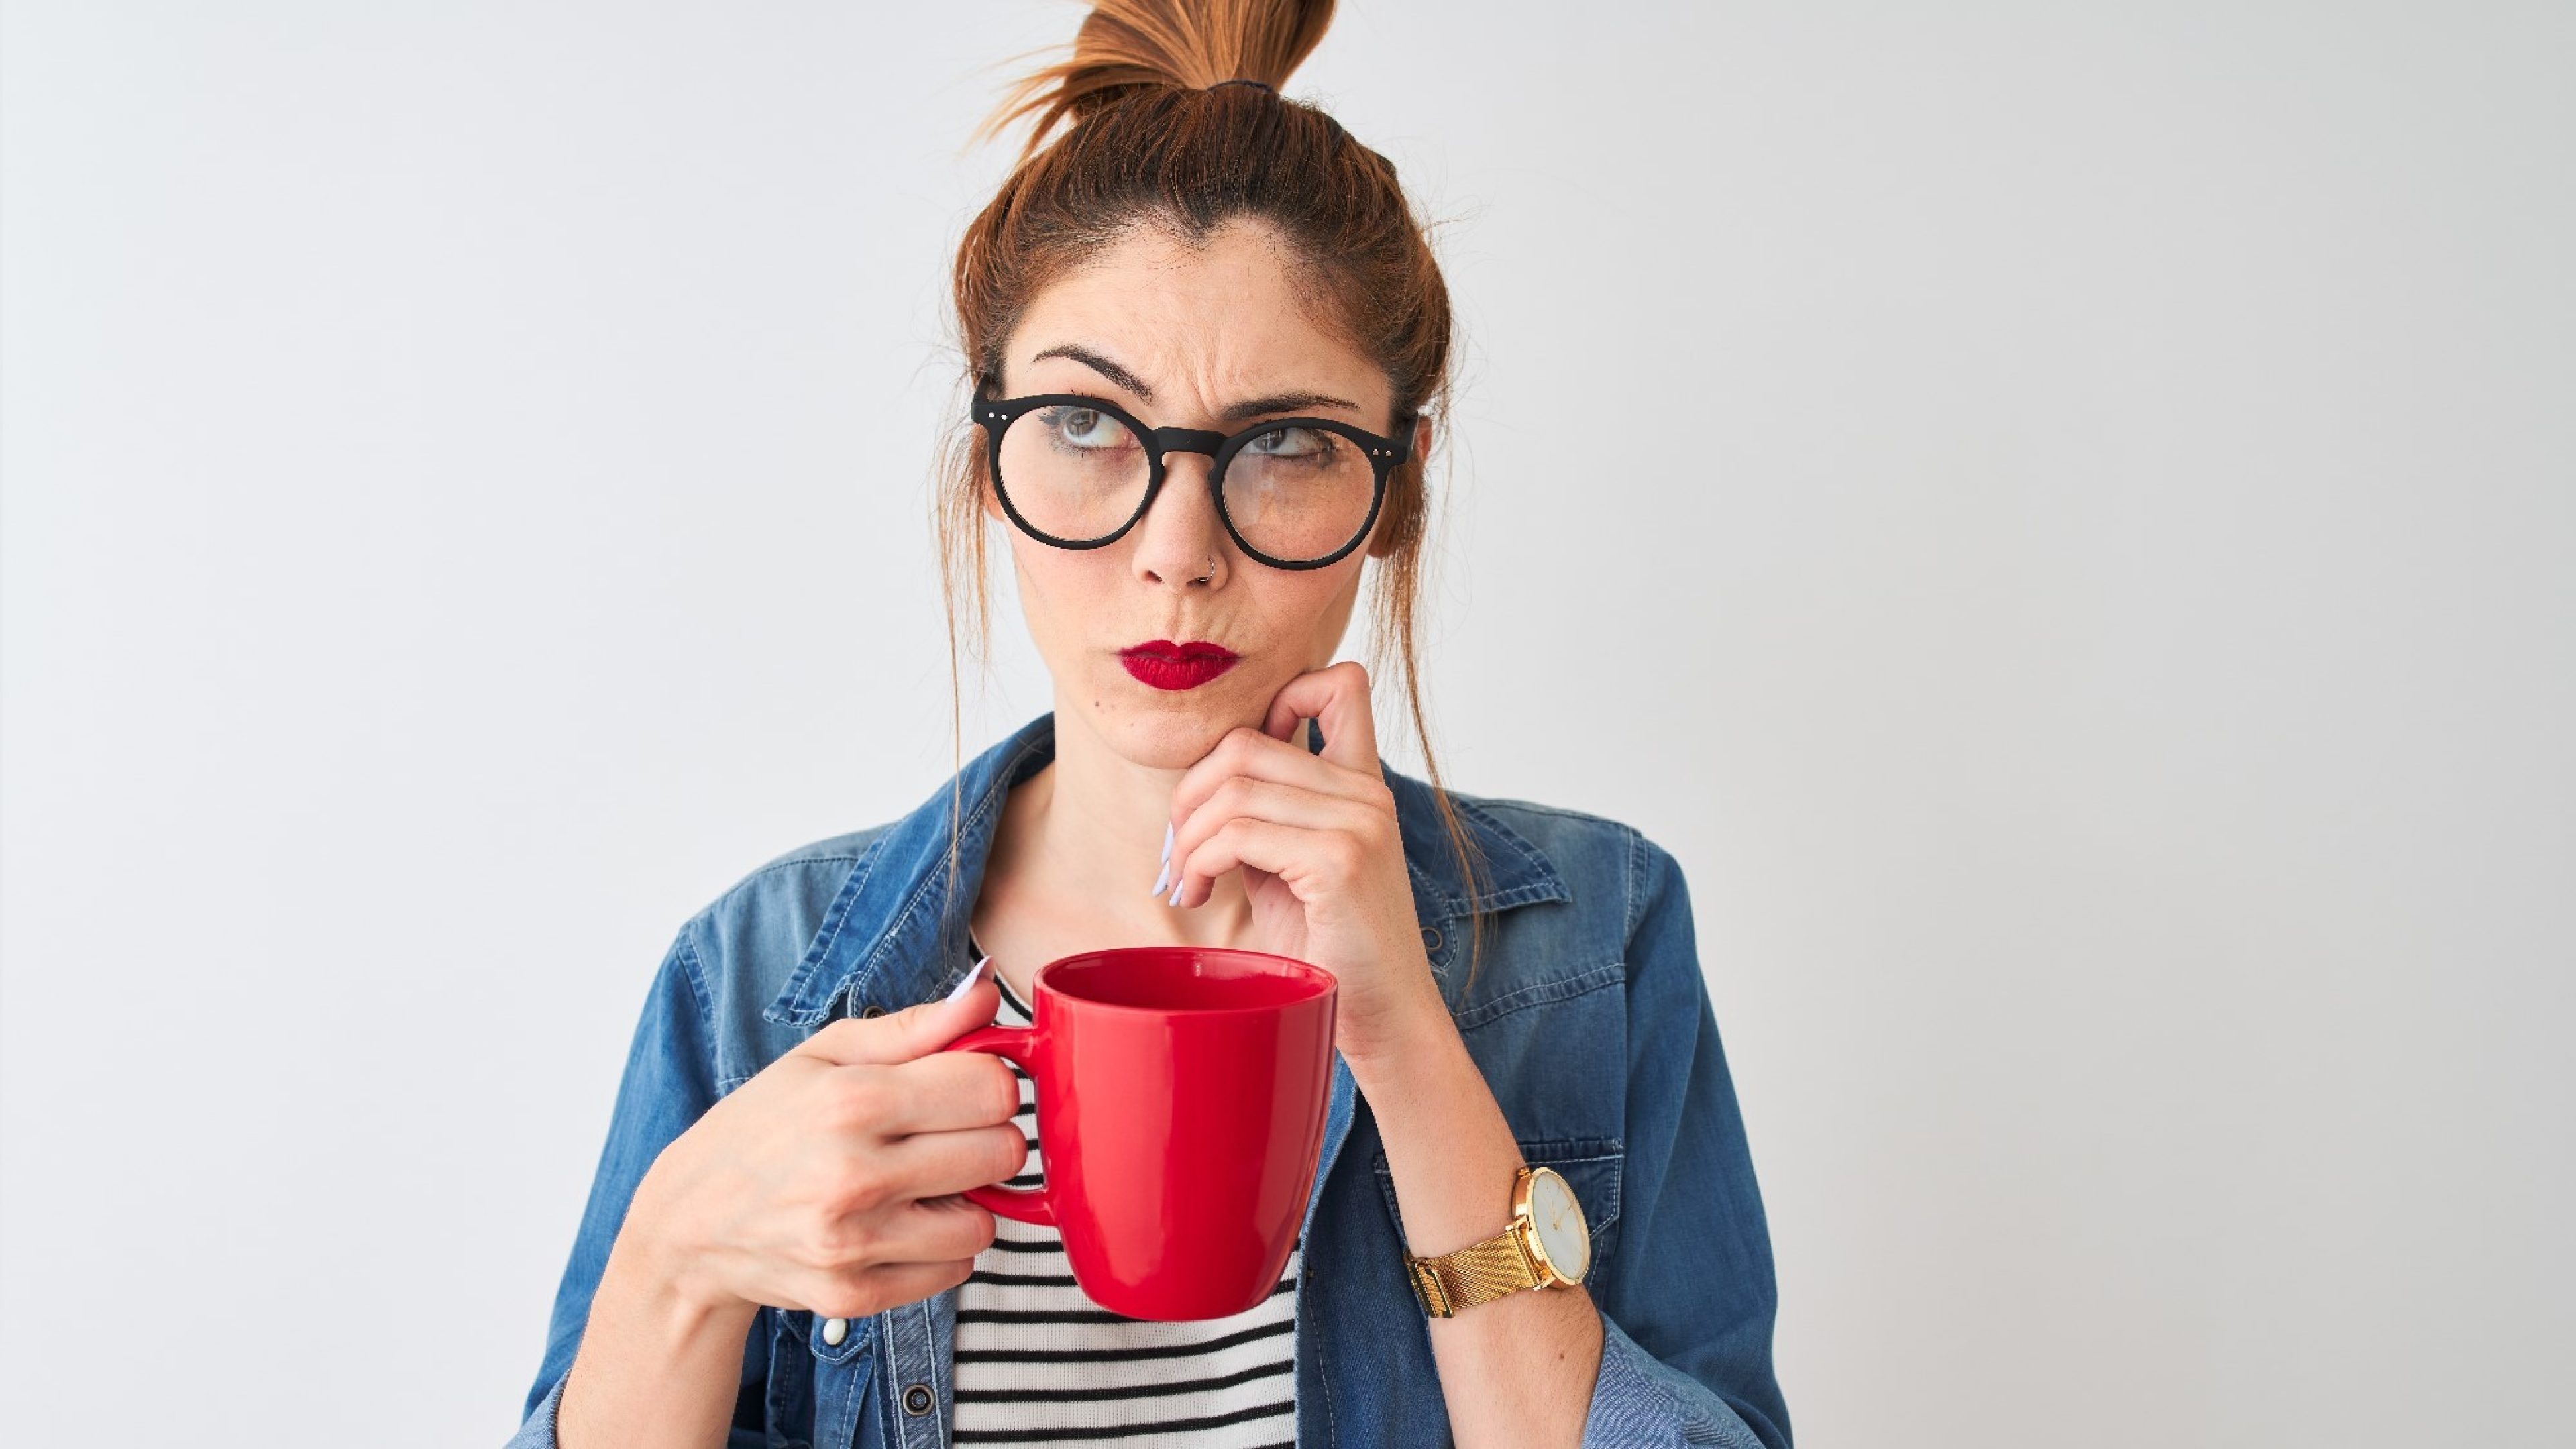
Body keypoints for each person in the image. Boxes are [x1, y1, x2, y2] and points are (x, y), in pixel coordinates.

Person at [506, 3, 1790, 1446]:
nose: (1179, 549)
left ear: (1402, 484)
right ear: (987, 449)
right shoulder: (758, 980)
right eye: (1085, 424)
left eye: (1289, 444)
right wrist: (676, 1260)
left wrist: (1408, 1043)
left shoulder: (1594, 943)